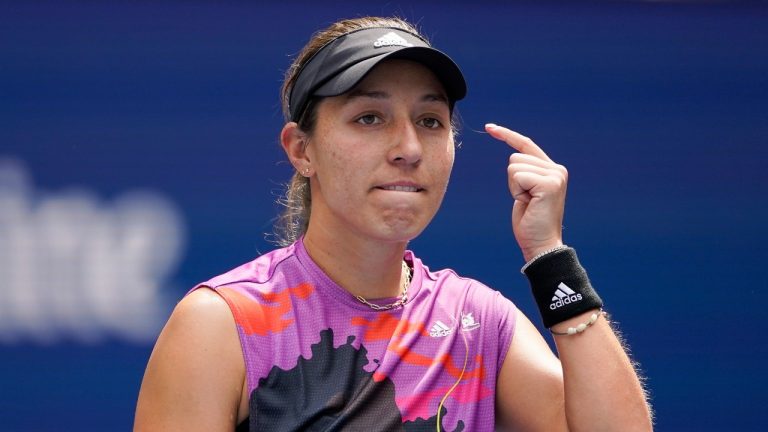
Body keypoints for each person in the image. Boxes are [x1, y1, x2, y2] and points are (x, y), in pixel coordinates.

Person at [134, 16, 652, 431]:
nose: (408, 148)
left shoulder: (478, 321)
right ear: (301, 149)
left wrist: (549, 255)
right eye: (369, 118)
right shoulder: (224, 323)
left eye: (430, 122)